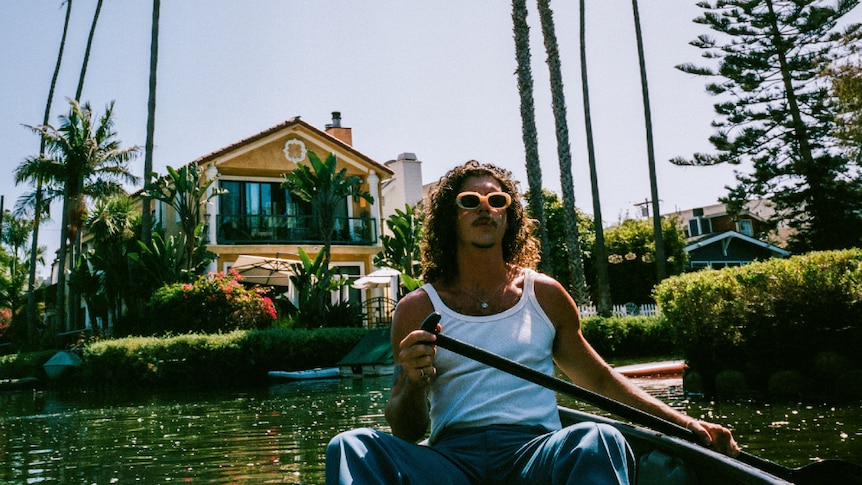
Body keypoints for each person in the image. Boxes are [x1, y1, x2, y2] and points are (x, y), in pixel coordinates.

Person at [326, 161, 739, 484]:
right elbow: (406, 430)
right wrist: (414, 384)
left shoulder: (544, 295)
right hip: (451, 463)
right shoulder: (417, 308)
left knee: (598, 437)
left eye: (497, 201)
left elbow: (601, 381)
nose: (485, 209)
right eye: (470, 201)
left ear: (510, 217)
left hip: (536, 457)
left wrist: (686, 424)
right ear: (451, 217)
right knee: (349, 444)